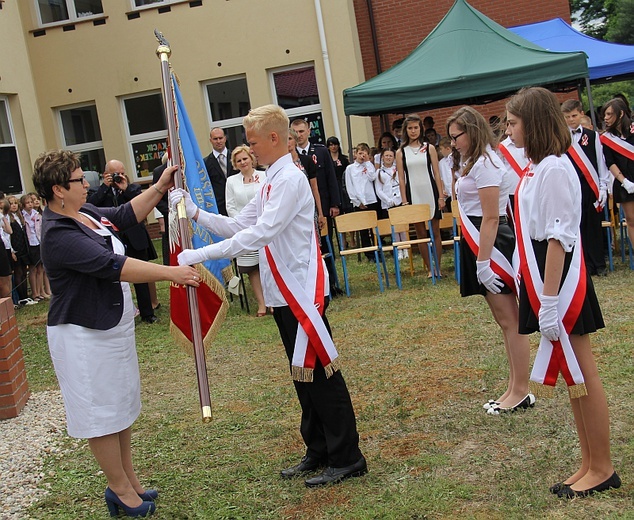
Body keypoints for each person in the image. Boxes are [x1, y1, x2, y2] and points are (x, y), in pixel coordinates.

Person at [173, 104, 366, 488]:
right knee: (303, 376)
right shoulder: (269, 181)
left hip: (302, 293)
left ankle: (347, 455)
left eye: (253, 142)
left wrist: (201, 254)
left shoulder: (290, 180)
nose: (248, 149)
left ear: (274, 138)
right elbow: (239, 224)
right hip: (282, 294)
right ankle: (319, 449)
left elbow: (260, 234)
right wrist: (195, 213)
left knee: (322, 374)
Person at [34, 149, 199, 517]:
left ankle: (130, 480)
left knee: (120, 407)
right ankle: (119, 490)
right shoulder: (58, 232)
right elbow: (112, 265)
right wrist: (171, 273)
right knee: (101, 412)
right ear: (59, 189)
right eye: (80, 180)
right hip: (82, 335)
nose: (88, 186)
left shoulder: (84, 214)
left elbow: (125, 215)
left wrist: (158, 187)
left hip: (110, 329)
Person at [507, 87, 619, 498]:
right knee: (575, 375)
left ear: (533, 124)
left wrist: (550, 299)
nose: (508, 129)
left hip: (561, 278)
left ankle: (603, 467)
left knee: (583, 372)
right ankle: (589, 462)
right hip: (544, 276)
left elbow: (558, 237)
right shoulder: (537, 166)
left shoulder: (554, 167)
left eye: (513, 122)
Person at [447, 106, 532, 414]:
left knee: (511, 320)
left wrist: (483, 262)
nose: (453, 142)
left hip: (492, 244)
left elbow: (492, 217)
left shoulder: (485, 163)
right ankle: (514, 386)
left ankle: (520, 390)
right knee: (504, 320)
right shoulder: (473, 162)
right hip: (480, 241)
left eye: (456, 136)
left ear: (471, 131)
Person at [88, 160, 158, 324]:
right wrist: (105, 187)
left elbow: (141, 204)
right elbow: (90, 207)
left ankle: (147, 313)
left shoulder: (132, 188)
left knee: (141, 276)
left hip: (135, 238)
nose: (119, 176)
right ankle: (121, 314)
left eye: (121, 172)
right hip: (114, 242)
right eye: (115, 174)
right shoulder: (98, 191)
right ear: (106, 174)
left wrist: (125, 189)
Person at [291, 118, 341, 294]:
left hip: (323, 206)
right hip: (302, 211)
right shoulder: (290, 156)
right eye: (295, 132)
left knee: (327, 246)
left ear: (309, 131)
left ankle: (332, 283)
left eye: (301, 131)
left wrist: (334, 204)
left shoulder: (320, 151)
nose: (299, 135)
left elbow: (330, 178)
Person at [561, 99, 610, 276]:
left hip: (591, 187)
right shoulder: (562, 138)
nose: (571, 120)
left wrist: (603, 186)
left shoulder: (592, 135)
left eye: (574, 115)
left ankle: (599, 263)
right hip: (572, 188)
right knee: (578, 227)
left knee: (594, 226)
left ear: (582, 114)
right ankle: (586, 265)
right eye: (567, 117)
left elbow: (600, 162)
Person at [396, 114, 446, 278]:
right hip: (413, 193)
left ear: (420, 128)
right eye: (410, 128)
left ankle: (438, 267)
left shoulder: (429, 148)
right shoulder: (401, 152)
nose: (413, 131)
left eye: (416, 127)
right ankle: (429, 269)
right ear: (406, 130)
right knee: (420, 233)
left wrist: (440, 196)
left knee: (436, 231)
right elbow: (401, 178)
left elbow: (437, 173)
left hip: (430, 191)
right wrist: (404, 200)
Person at [226, 145, 267, 317]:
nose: (243, 162)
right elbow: (230, 206)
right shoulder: (231, 181)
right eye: (239, 160)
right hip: (245, 229)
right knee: (252, 268)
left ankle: (274, 301)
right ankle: (262, 303)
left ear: (251, 159)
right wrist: (244, 224)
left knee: (268, 265)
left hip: (265, 226)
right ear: (235, 164)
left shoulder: (264, 176)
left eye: (245, 158)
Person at [600, 97, 634, 251]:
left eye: (609, 114)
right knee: (631, 220)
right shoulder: (607, 138)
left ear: (620, 114)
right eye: (605, 115)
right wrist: (624, 181)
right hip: (624, 182)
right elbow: (610, 162)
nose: (605, 118)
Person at [344, 143, 380, 259]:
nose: (362, 156)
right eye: (360, 153)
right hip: (359, 202)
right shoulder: (350, 169)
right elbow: (350, 186)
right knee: (364, 229)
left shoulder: (369, 166)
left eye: (364, 153)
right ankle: (369, 253)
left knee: (374, 227)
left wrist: (368, 163)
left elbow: (372, 177)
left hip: (371, 199)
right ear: (355, 154)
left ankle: (377, 249)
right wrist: (357, 202)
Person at [289, 128, 327, 234]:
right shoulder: (282, 163)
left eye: (290, 139)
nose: (288, 142)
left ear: (295, 141)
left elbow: (314, 187)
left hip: (308, 206)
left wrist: (320, 213)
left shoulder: (306, 160)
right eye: (285, 140)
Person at [375, 148, 407, 259]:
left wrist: (399, 198)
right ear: (382, 157)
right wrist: (388, 200)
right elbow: (379, 190)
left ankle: (405, 248)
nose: (388, 158)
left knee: (402, 226)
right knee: (394, 227)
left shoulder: (398, 170)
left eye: (390, 156)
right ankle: (398, 249)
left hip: (399, 201)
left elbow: (404, 183)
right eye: (386, 155)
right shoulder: (379, 172)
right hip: (388, 203)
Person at [203, 127, 239, 216]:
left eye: (220, 138)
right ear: (210, 140)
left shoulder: (236, 158)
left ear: (225, 138)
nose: (218, 141)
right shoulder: (205, 163)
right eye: (215, 139)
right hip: (220, 208)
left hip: (239, 203)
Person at [21, 193, 45, 301]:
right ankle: (34, 293)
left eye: (31, 202)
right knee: (33, 269)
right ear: (23, 205)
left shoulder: (36, 214)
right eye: (27, 203)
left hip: (38, 242)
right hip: (30, 244)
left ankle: (40, 291)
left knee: (40, 268)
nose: (30, 204)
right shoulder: (22, 216)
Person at [8, 195, 30, 304]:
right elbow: (7, 236)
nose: (13, 205)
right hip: (15, 248)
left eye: (15, 203)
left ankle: (26, 295)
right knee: (18, 272)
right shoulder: (8, 218)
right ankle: (21, 297)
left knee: (24, 272)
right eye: (11, 203)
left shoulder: (19, 216)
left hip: (23, 248)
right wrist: (12, 250)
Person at [326, 136, 352, 215]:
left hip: (344, 185)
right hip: (333, 186)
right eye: (331, 145)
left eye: (335, 144)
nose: (333, 147)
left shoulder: (344, 159)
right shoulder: (327, 160)